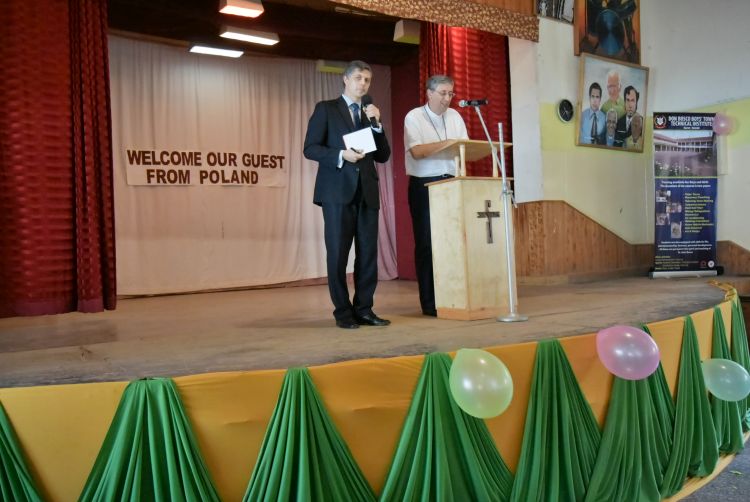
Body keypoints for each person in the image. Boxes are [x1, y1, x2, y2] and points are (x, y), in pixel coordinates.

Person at [303, 60, 391, 329]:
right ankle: (343, 312)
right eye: (358, 78)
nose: (363, 84)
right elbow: (310, 148)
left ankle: (364, 309)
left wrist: (378, 125)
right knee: (338, 254)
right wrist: (342, 154)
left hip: (367, 193)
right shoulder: (326, 109)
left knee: (368, 255)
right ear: (346, 79)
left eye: (367, 80)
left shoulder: (370, 114)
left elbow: (383, 156)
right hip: (337, 193)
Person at [403, 75, 468, 316]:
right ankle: (430, 303)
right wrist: (447, 144)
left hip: (452, 182)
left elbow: (465, 147)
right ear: (429, 93)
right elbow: (417, 151)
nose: (447, 98)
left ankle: (452, 297)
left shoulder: (455, 116)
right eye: (442, 93)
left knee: (452, 243)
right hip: (424, 184)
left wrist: (454, 146)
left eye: (451, 93)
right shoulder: (414, 116)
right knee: (427, 244)